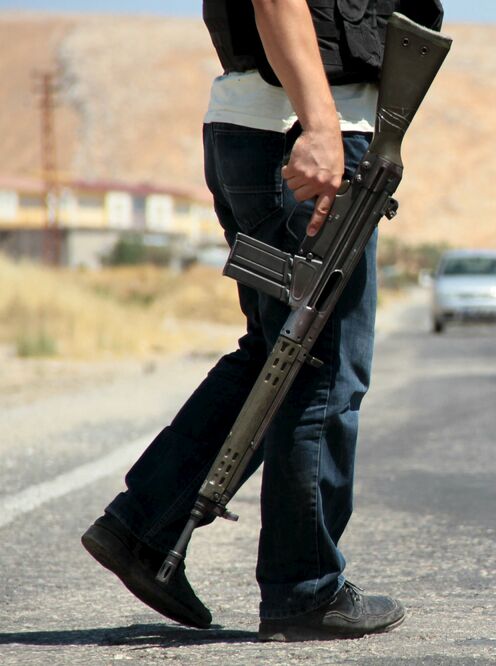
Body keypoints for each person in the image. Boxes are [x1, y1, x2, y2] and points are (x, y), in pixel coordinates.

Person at [80, 0, 443, 642]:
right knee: (321, 368)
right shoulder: (316, 126)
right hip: (301, 134)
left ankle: (145, 527)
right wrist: (323, 125)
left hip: (267, 129)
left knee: (274, 355)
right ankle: (303, 589)